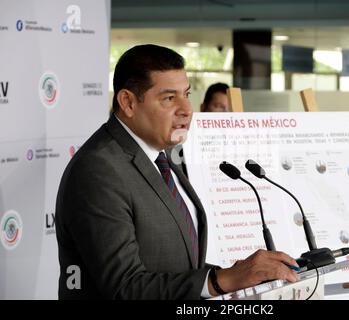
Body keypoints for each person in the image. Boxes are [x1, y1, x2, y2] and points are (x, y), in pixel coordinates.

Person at [55, 44, 299, 300]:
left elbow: (173, 265)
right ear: (127, 102)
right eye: (169, 98)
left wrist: (236, 274)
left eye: (187, 94)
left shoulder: (162, 154)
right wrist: (221, 280)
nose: (187, 109)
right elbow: (125, 288)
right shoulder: (98, 170)